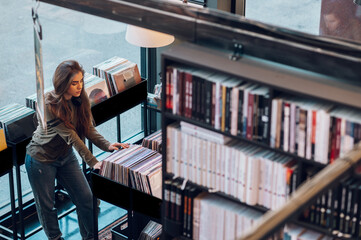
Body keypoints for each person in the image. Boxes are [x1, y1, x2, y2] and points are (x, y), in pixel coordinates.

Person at [25, 60, 129, 240]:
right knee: (48, 208)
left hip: (65, 156)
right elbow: (72, 137)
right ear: (63, 84)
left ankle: (90, 238)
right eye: (74, 83)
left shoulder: (81, 98)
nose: (79, 86)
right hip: (41, 160)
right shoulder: (49, 105)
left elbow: (87, 128)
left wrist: (107, 145)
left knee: (88, 201)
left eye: (81, 81)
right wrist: (93, 162)